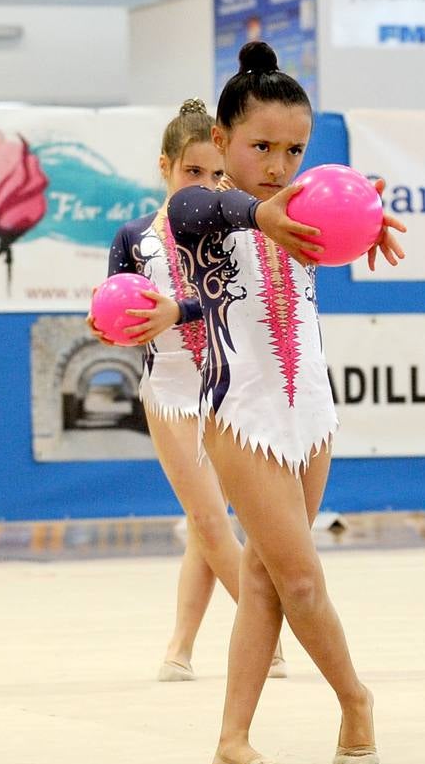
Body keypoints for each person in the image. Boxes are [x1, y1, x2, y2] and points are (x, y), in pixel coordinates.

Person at [167, 43, 406, 764]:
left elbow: (325, 217)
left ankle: (231, 742)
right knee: (300, 579)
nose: (276, 163)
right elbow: (215, 206)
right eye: (259, 145)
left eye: (293, 149)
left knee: (269, 577)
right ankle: (356, 699)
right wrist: (263, 215)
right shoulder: (202, 209)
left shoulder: (300, 209)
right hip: (243, 415)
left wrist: (363, 225)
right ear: (222, 144)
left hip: (313, 413)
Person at [89, 99, 286, 683]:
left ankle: (180, 647)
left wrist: (180, 308)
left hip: (225, 389)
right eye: (190, 173)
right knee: (206, 520)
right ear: (165, 168)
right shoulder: (133, 238)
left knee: (213, 525)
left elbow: (235, 303)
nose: (202, 184)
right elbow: (114, 307)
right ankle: (269, 632)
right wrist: (104, 326)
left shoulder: (226, 236)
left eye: (214, 174)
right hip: (171, 393)